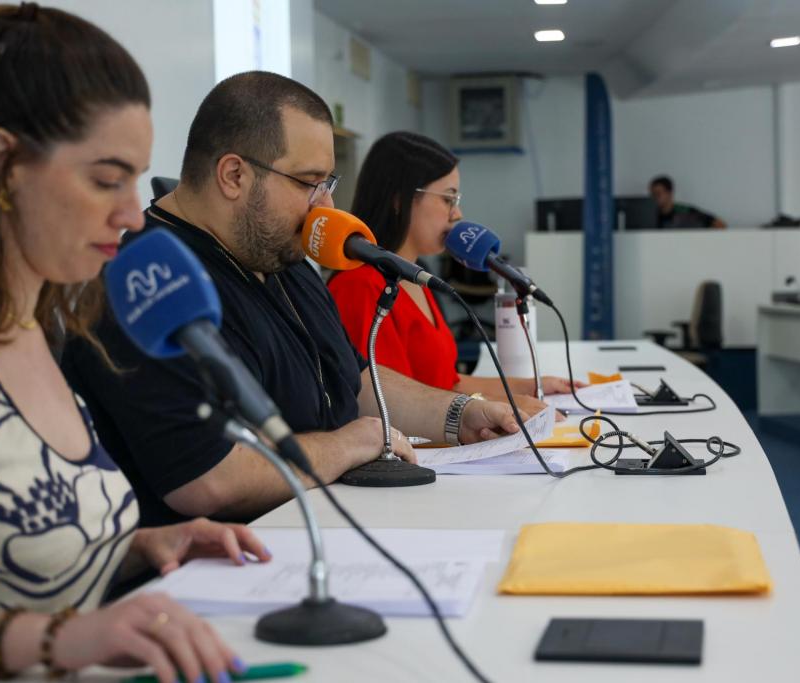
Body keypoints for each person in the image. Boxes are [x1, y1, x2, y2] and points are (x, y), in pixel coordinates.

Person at [0, 6, 267, 682]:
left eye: (138, 180)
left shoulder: (30, 326)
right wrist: (68, 637)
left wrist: (143, 546)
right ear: (4, 165)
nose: (133, 212)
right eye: (105, 178)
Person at [62, 72, 529, 528]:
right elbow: (207, 478)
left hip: (332, 525)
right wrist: (347, 446)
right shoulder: (146, 287)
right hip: (232, 567)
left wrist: (457, 414)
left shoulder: (279, 254)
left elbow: (354, 379)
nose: (323, 208)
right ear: (233, 175)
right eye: (308, 182)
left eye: (328, 183)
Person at [329, 131, 584, 405]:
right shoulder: (359, 285)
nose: (457, 214)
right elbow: (390, 404)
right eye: (448, 199)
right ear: (398, 199)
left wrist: (532, 387)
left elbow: (448, 380)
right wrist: (498, 407)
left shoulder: (416, 274)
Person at [649, 175, 726, 229]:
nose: (654, 197)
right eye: (652, 194)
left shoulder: (685, 211)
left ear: (670, 193)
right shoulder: (650, 216)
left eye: (658, 194)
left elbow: (720, 225)